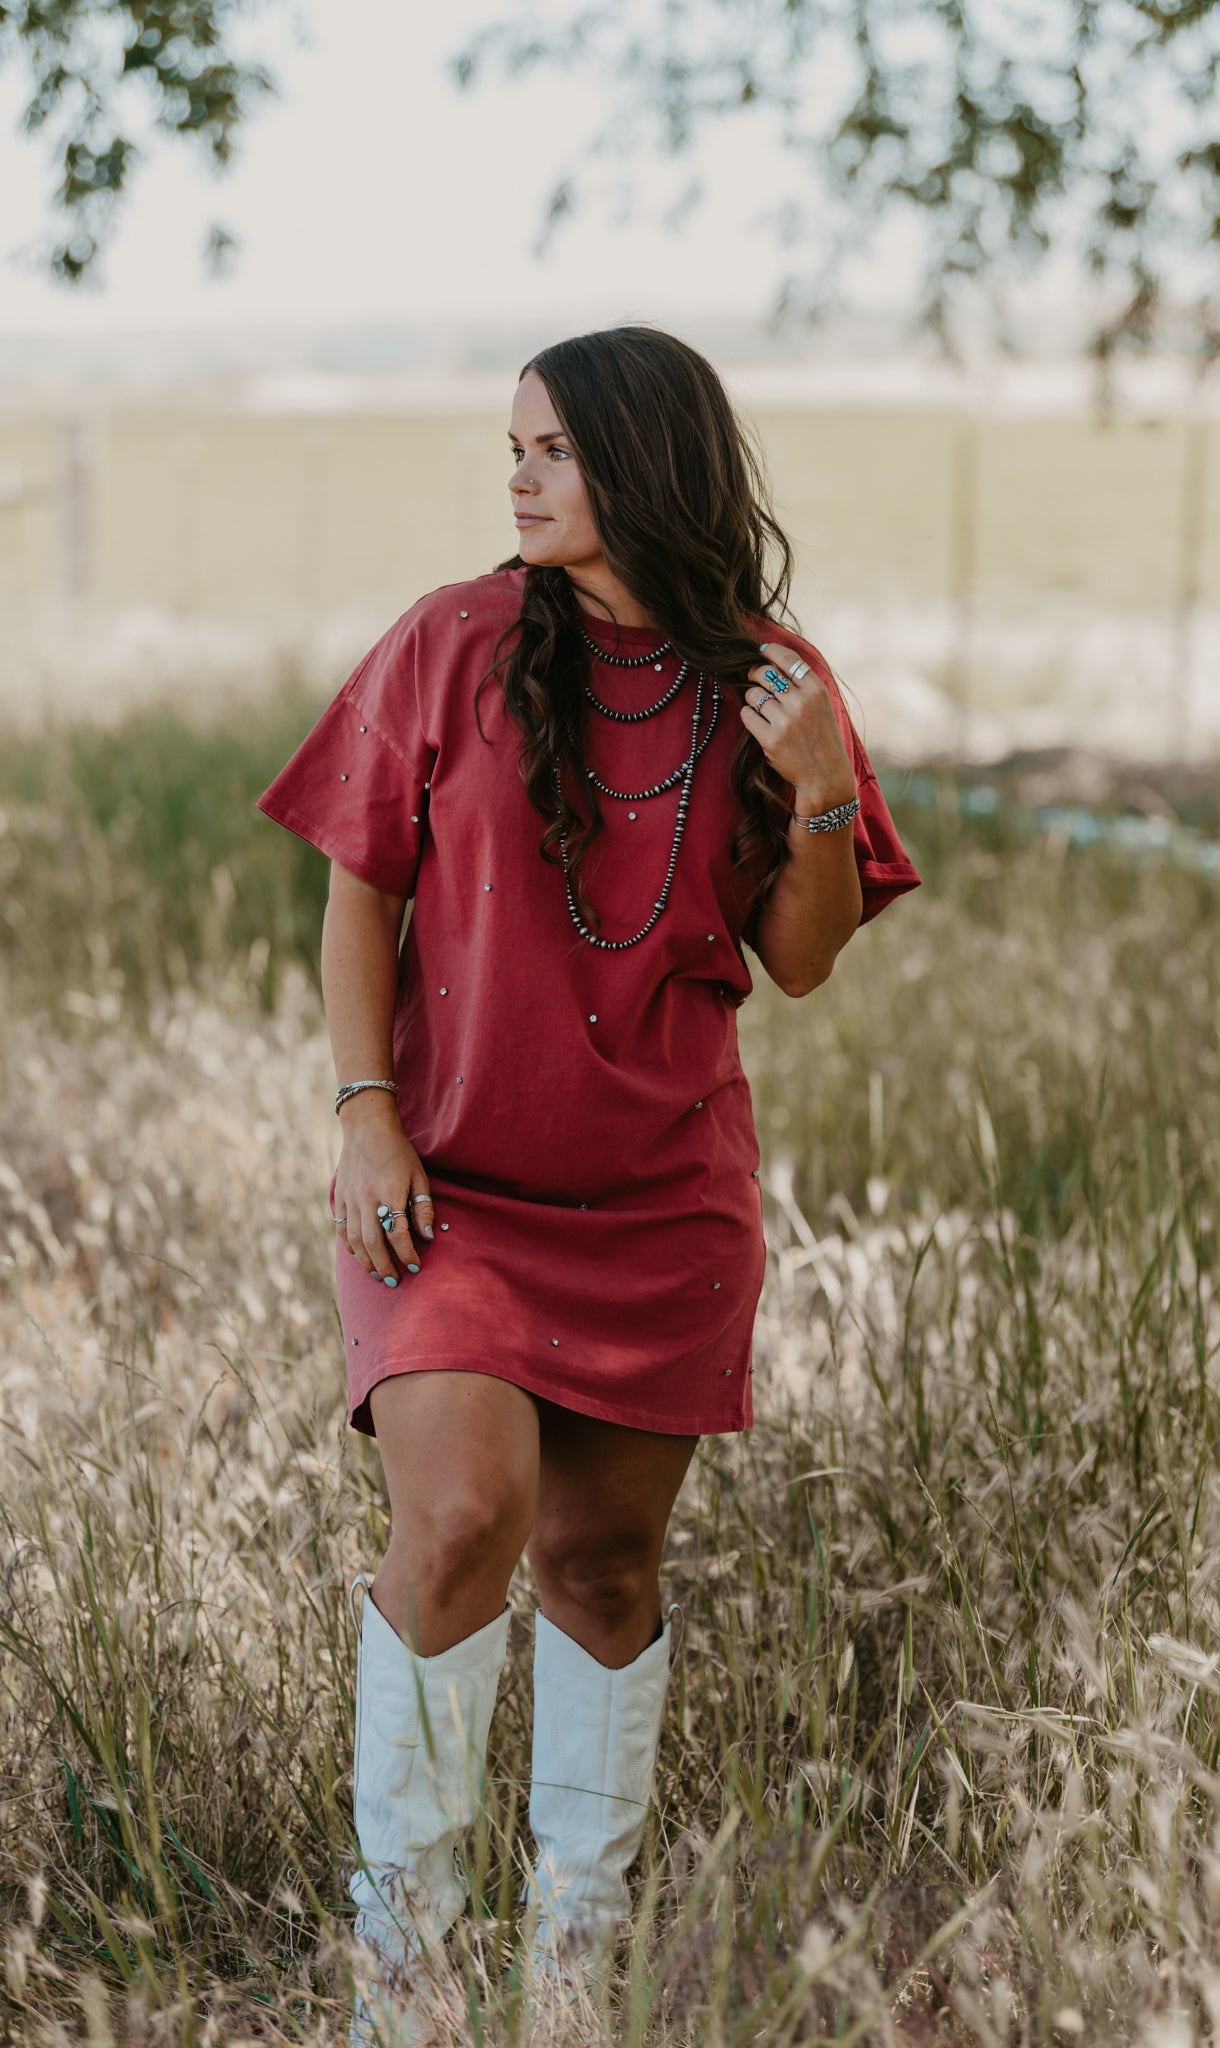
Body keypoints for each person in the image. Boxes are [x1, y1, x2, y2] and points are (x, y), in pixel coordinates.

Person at [255, 324, 920, 2038]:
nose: (522, 477)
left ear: (643, 458)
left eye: (551, 449)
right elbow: (358, 891)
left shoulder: (772, 678)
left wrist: (829, 799)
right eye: (516, 450)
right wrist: (361, 1109)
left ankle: (575, 1977)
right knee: (462, 1515)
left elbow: (802, 962)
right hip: (449, 1188)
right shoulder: (454, 640)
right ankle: (399, 1979)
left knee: (606, 1576)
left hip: (659, 1203)